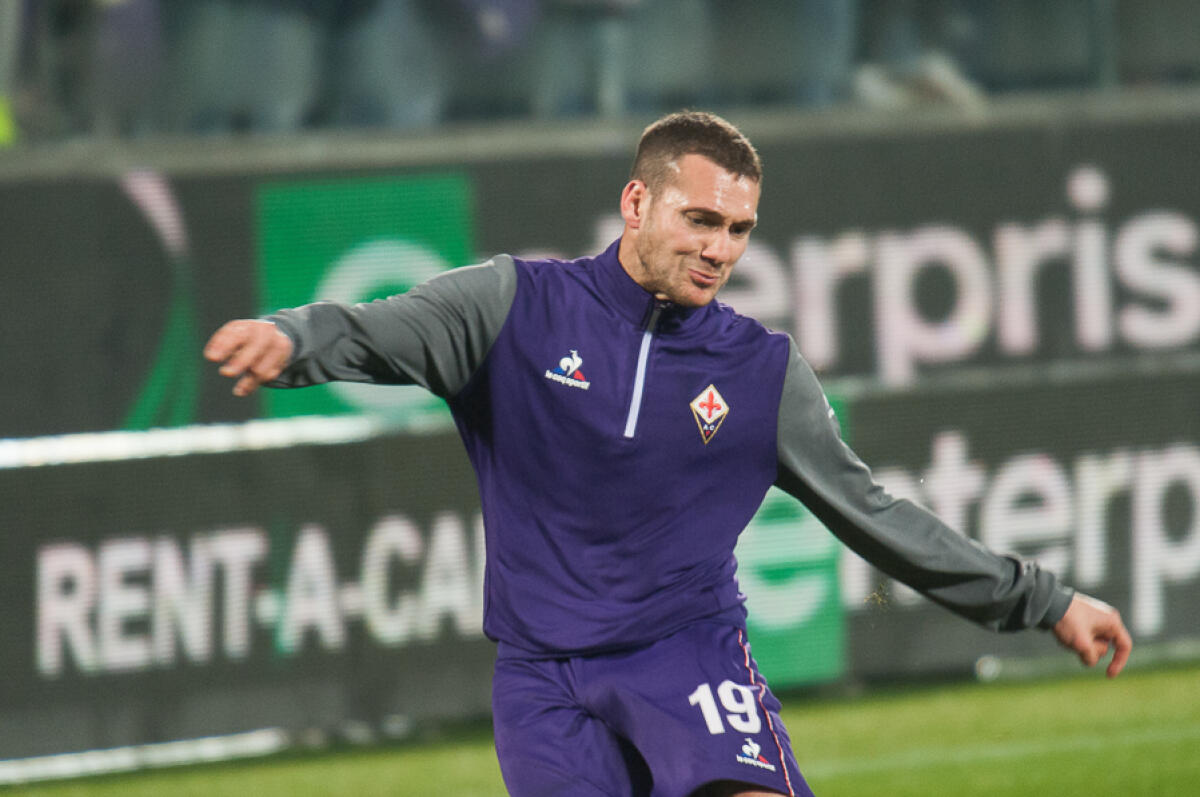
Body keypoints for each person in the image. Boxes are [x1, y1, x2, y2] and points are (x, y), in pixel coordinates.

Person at [204, 110, 1133, 797]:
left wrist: (1042, 600)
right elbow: (379, 330)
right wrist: (291, 339)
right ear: (637, 201)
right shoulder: (514, 307)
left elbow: (876, 516)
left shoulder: (762, 371)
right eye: (700, 220)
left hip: (686, 654)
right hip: (542, 679)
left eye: (738, 230)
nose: (719, 249)